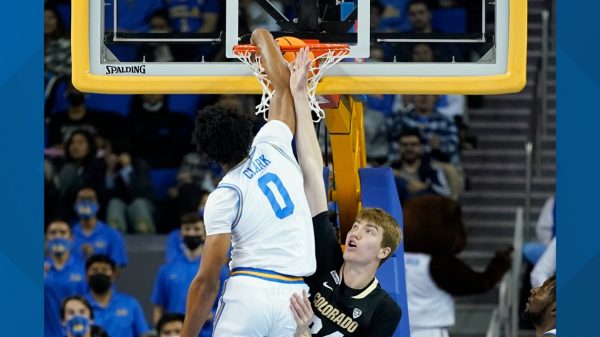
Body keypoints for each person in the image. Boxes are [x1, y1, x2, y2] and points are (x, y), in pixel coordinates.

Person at [180, 28, 316, 337]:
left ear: (209, 154)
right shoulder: (272, 143)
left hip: (250, 291)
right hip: (296, 299)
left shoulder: (225, 194)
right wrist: (261, 36)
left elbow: (207, 281)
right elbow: (281, 86)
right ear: (245, 129)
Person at [288, 47, 402, 337]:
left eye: (369, 232)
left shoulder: (385, 310)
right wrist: (301, 96)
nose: (356, 232)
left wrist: (302, 333)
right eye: (357, 227)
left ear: (383, 251)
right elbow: (313, 177)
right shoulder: (326, 260)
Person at [151, 212, 229, 336]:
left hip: (208, 333)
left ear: (204, 234)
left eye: (196, 229)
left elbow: (227, 304)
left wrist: (212, 314)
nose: (191, 233)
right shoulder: (166, 270)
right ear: (181, 234)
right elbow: (158, 307)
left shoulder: (218, 269)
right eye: (187, 229)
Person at [84, 255, 150, 337]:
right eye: (94, 270)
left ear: (113, 275)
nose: (100, 273)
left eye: (105, 270)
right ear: (86, 276)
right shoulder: (79, 306)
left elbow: (144, 334)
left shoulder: (130, 304)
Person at [45, 220, 87, 337]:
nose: (57, 236)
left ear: (71, 238)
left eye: (63, 232)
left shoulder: (84, 269)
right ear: (46, 239)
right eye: (53, 233)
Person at [71, 187, 128, 267]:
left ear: (98, 205)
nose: (86, 203)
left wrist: (94, 259)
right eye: (82, 199)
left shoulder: (113, 235)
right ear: (75, 205)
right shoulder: (68, 234)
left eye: (90, 199)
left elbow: (116, 269)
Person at [391, 129, 451, 203]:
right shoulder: (391, 170)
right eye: (404, 145)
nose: (409, 148)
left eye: (413, 144)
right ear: (399, 148)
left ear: (421, 147)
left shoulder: (433, 169)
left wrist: (422, 187)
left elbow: (445, 194)